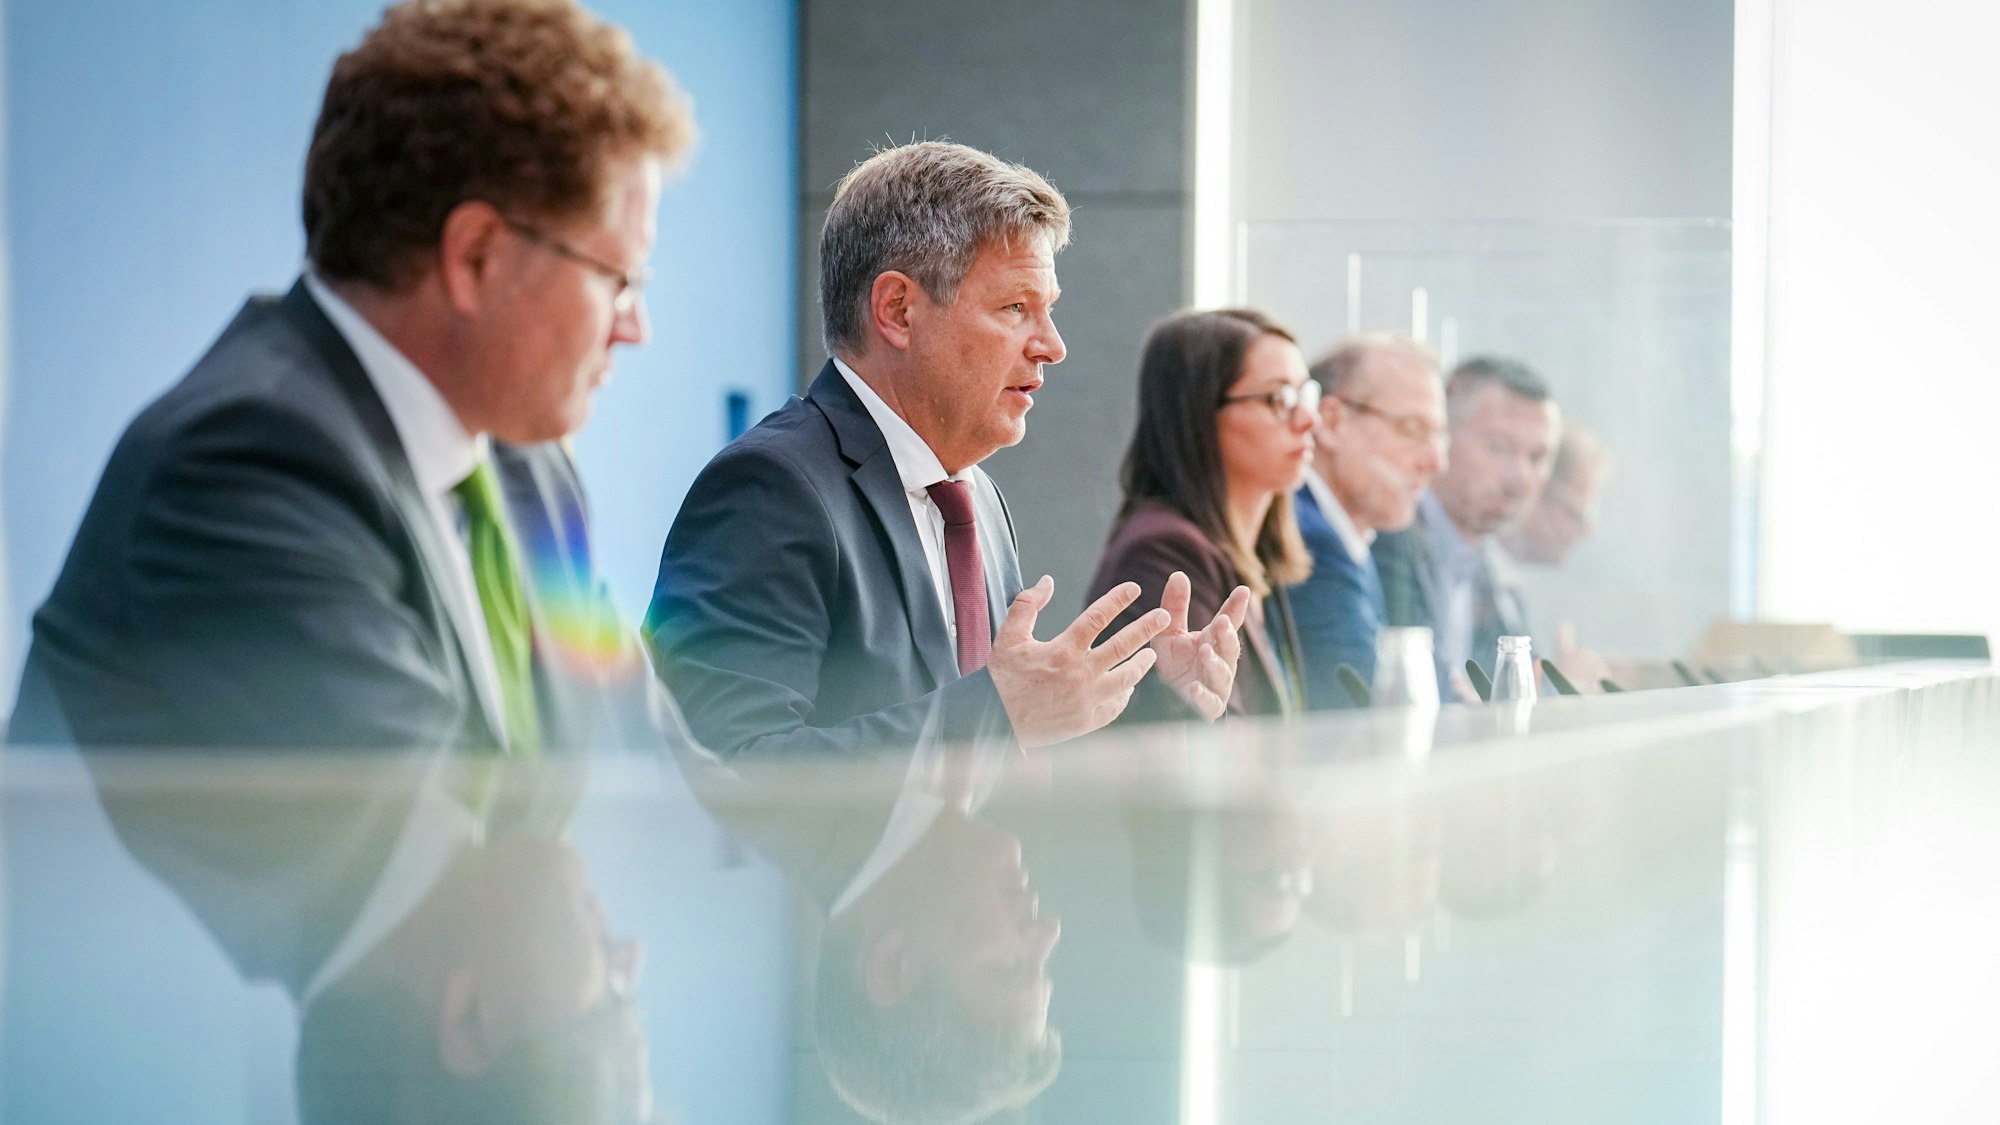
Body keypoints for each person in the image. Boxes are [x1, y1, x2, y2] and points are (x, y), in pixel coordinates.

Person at [9, 0, 693, 762]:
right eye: (618, 278)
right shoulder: (242, 470)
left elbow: (654, 767)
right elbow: (432, 859)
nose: (635, 327)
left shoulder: (526, 469)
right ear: (476, 258)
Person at [647, 141, 1242, 760]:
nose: (1053, 345)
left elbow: (998, 756)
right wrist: (999, 712)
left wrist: (1150, 706)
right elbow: (730, 764)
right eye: (1016, 307)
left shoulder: (975, 495)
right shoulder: (770, 487)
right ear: (898, 311)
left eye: (1048, 311)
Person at [1087, 308, 1304, 722]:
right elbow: (1198, 741)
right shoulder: (1162, 553)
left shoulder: (1254, 553)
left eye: (1304, 395)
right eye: (1280, 399)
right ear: (1200, 415)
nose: (1308, 419)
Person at [1372, 355, 1559, 695]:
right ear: (1442, 435)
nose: (1521, 479)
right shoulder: (1385, 539)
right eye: (1498, 447)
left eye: (1537, 458)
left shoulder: (1498, 580)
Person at [1288, 332, 1448, 706]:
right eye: (1412, 430)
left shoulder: (1346, 534)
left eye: (1439, 437)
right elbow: (1368, 707)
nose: (1437, 462)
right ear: (1330, 422)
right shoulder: (1307, 539)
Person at [1502, 424, 1612, 567]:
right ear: (1537, 490)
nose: (1586, 533)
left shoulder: (1500, 575)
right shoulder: (1474, 571)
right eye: (1577, 515)